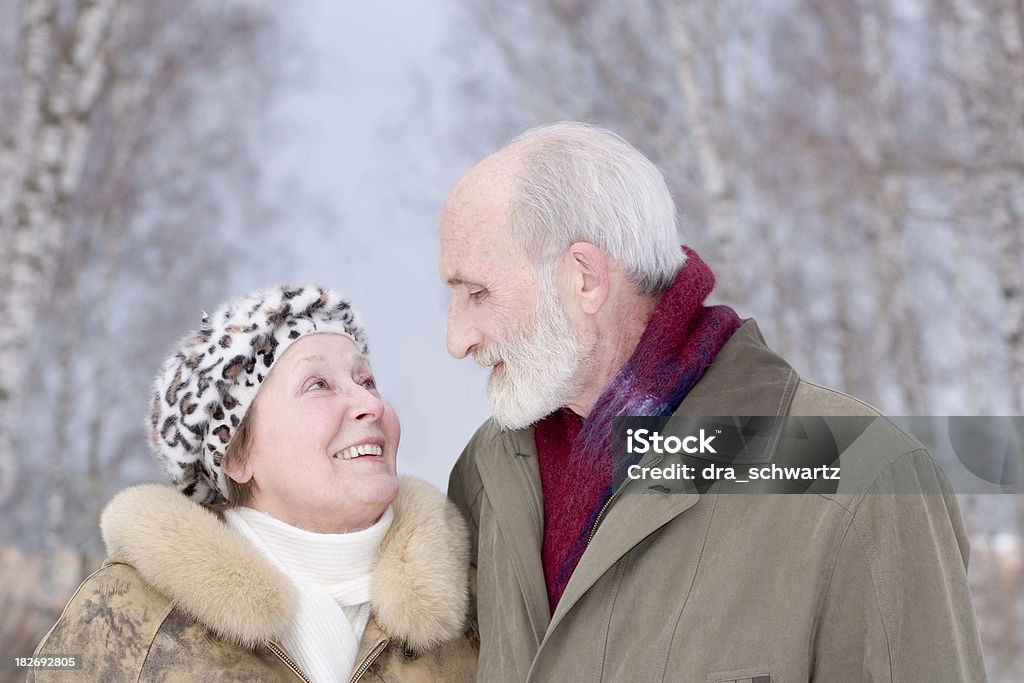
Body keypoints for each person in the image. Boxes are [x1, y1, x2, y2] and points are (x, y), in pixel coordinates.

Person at [440, 122, 986, 681]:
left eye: (479, 294)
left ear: (584, 279)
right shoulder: (490, 475)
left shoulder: (859, 477)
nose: (456, 341)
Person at [31, 285, 478, 682]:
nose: (370, 404)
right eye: (318, 384)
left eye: (367, 381)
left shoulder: (477, 609)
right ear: (237, 456)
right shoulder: (125, 615)